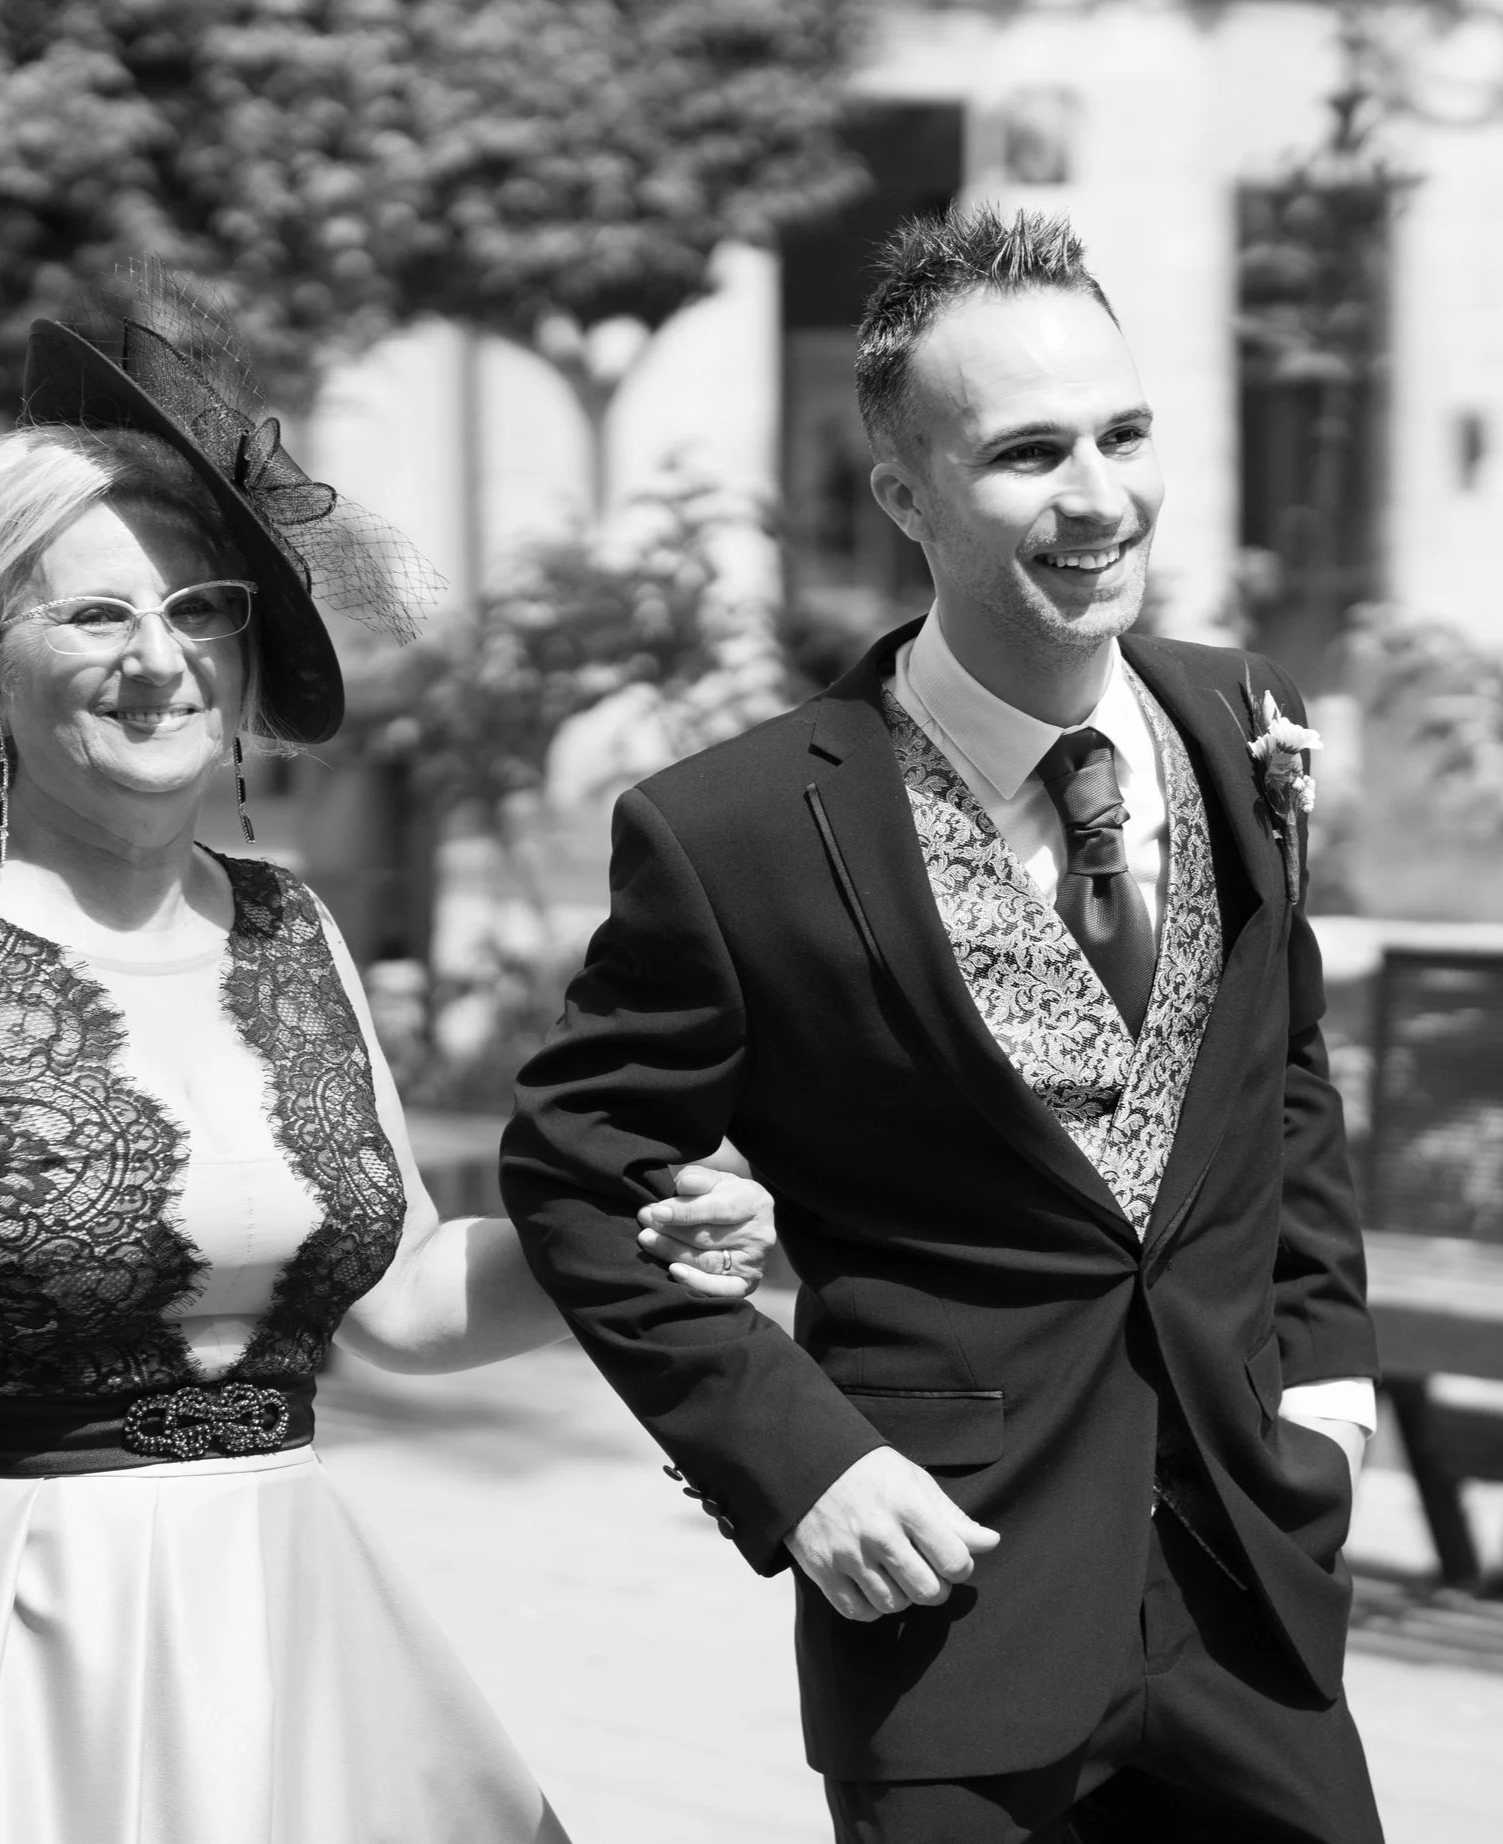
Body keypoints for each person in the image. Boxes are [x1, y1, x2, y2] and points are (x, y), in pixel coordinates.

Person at [0, 263, 779, 1844]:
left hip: (268, 1617)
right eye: (96, 612)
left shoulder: (292, 929)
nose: (161, 657)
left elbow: (398, 1301)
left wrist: (627, 1239)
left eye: (200, 609)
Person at [502, 205, 1383, 1844]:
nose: (1099, 497)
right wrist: (799, 1464)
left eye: (1126, 434)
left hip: (1254, 1595)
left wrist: (1327, 1395)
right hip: (950, 1603)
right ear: (905, 495)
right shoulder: (735, 831)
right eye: (1030, 453)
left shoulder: (1243, 717)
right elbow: (577, 1170)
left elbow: (1284, 1075)